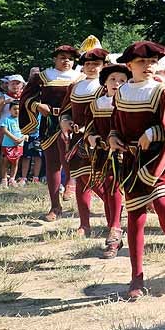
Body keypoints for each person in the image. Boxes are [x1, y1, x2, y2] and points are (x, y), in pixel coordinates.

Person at [107, 41, 165, 300]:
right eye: (142, 62)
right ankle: (136, 277)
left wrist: (153, 133)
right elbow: (115, 122)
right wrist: (112, 137)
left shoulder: (164, 91)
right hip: (131, 160)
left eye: (152, 62)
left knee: (163, 202)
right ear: (129, 65)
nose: (148, 67)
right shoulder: (120, 93)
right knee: (135, 217)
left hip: (160, 158)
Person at [20, 45, 83, 221]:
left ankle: (71, 181)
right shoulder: (43, 77)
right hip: (49, 122)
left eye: (70, 58)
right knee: (52, 163)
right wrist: (37, 105)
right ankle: (55, 207)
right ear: (55, 59)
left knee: (68, 154)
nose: (66, 61)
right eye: (62, 57)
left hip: (71, 122)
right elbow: (26, 96)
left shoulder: (80, 77)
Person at [61, 47, 107, 235]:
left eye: (95, 64)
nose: (91, 67)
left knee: (102, 180)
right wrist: (65, 121)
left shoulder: (106, 86)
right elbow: (66, 109)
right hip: (77, 140)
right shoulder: (75, 86)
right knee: (81, 180)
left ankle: (114, 215)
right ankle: (84, 224)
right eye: (87, 64)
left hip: (99, 139)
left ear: (103, 66)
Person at [88, 63, 129, 259]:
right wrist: (91, 137)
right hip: (104, 155)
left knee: (121, 191)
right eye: (113, 79)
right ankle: (114, 232)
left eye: (122, 80)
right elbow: (90, 126)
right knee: (110, 186)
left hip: (129, 153)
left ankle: (117, 230)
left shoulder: (131, 101)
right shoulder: (97, 104)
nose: (117, 83)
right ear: (105, 82)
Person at [0, 102, 26, 187]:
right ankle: (4, 179)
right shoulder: (7, 119)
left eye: (18, 109)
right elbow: (4, 130)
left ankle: (12, 179)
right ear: (10, 110)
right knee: (5, 162)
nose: (17, 111)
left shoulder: (23, 120)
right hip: (8, 144)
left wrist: (21, 139)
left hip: (19, 145)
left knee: (15, 162)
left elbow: (26, 131)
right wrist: (14, 138)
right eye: (14, 109)